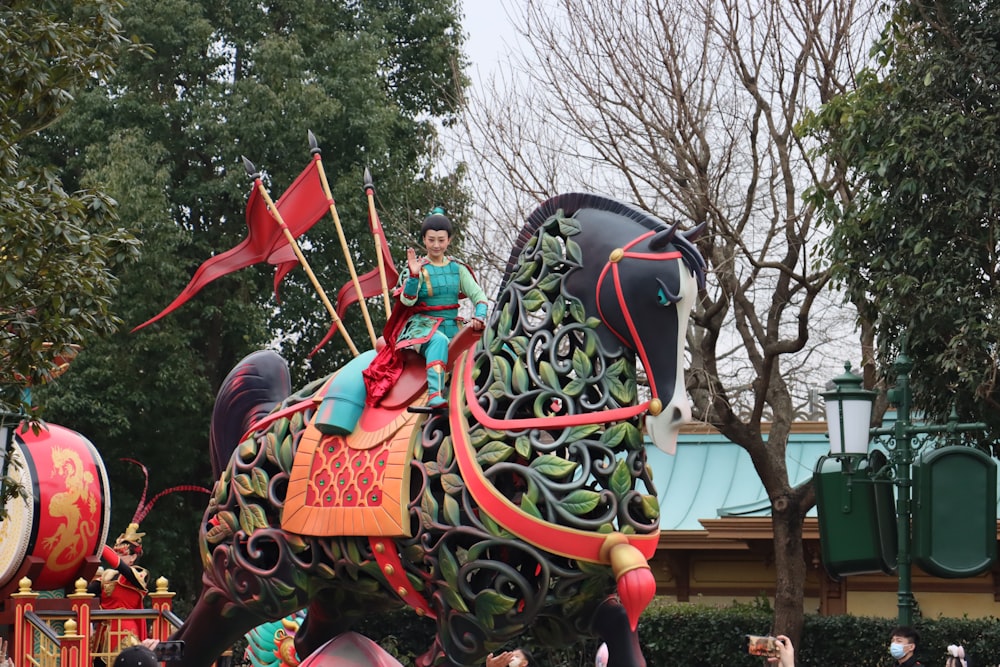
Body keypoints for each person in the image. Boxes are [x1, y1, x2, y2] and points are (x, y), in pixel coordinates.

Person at [363, 208, 489, 409]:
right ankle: (434, 394)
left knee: (486, 341)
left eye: (441, 240)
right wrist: (413, 276)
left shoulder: (458, 269)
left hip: (453, 325)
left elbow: (479, 297)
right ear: (424, 240)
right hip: (423, 328)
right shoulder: (418, 268)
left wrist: (480, 317)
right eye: (431, 240)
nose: (436, 245)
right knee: (438, 341)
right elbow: (407, 301)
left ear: (449, 240)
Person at [88, 523, 149, 666]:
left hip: (125, 631)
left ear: (133, 557)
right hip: (103, 632)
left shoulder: (140, 574)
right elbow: (87, 592)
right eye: (116, 553)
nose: (117, 556)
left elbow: (122, 568)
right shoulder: (107, 575)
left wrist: (100, 544)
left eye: (122, 553)